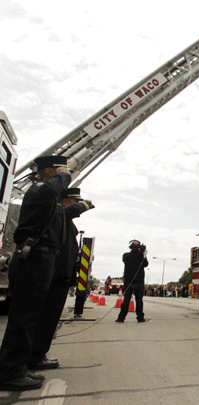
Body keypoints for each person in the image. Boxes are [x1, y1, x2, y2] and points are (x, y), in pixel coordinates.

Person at [0, 156, 71, 391]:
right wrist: (64, 175)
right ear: (49, 172)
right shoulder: (39, 188)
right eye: (60, 171)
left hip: (42, 258)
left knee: (30, 316)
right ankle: (10, 371)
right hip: (35, 257)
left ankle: (18, 366)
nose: (66, 175)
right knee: (24, 316)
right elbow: (53, 188)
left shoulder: (49, 196)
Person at [29, 188, 94, 371]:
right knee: (45, 318)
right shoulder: (58, 214)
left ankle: (38, 354)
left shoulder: (67, 221)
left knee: (49, 318)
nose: (76, 206)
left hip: (60, 275)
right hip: (54, 274)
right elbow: (64, 214)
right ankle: (35, 356)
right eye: (74, 202)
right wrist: (84, 205)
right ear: (65, 202)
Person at [115, 240, 149, 323]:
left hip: (128, 282)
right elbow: (146, 264)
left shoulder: (126, 255)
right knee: (139, 301)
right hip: (139, 281)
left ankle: (121, 318)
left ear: (130, 247)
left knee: (126, 300)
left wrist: (141, 254)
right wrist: (142, 253)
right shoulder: (141, 256)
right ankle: (140, 318)